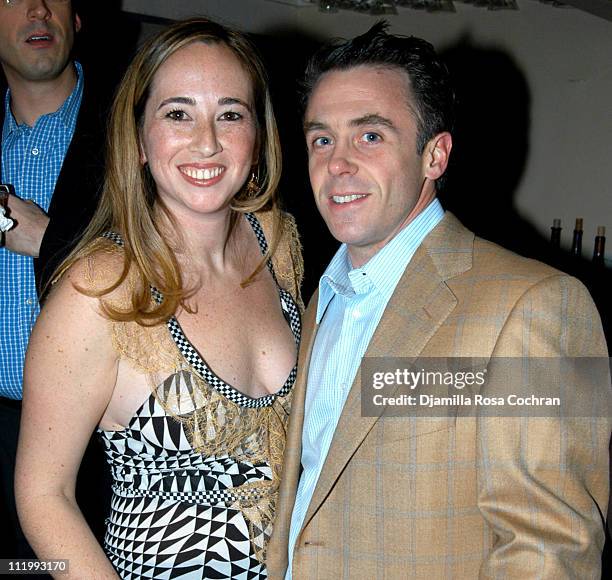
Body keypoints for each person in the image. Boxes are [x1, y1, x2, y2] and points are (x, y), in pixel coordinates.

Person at [266, 22, 611, 579]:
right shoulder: (319, 301)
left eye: (371, 135)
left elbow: (552, 551)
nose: (337, 163)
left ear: (435, 156)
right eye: (321, 138)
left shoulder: (537, 306)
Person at [16, 17, 303, 579]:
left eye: (230, 114)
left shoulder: (276, 240)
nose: (207, 141)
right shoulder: (96, 289)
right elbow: (43, 497)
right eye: (178, 114)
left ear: (259, 134)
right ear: (140, 139)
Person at [0, 0, 110, 558]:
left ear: (77, 18)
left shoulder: (140, 126)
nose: (37, 9)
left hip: (98, 448)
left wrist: (48, 238)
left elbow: (187, 278)